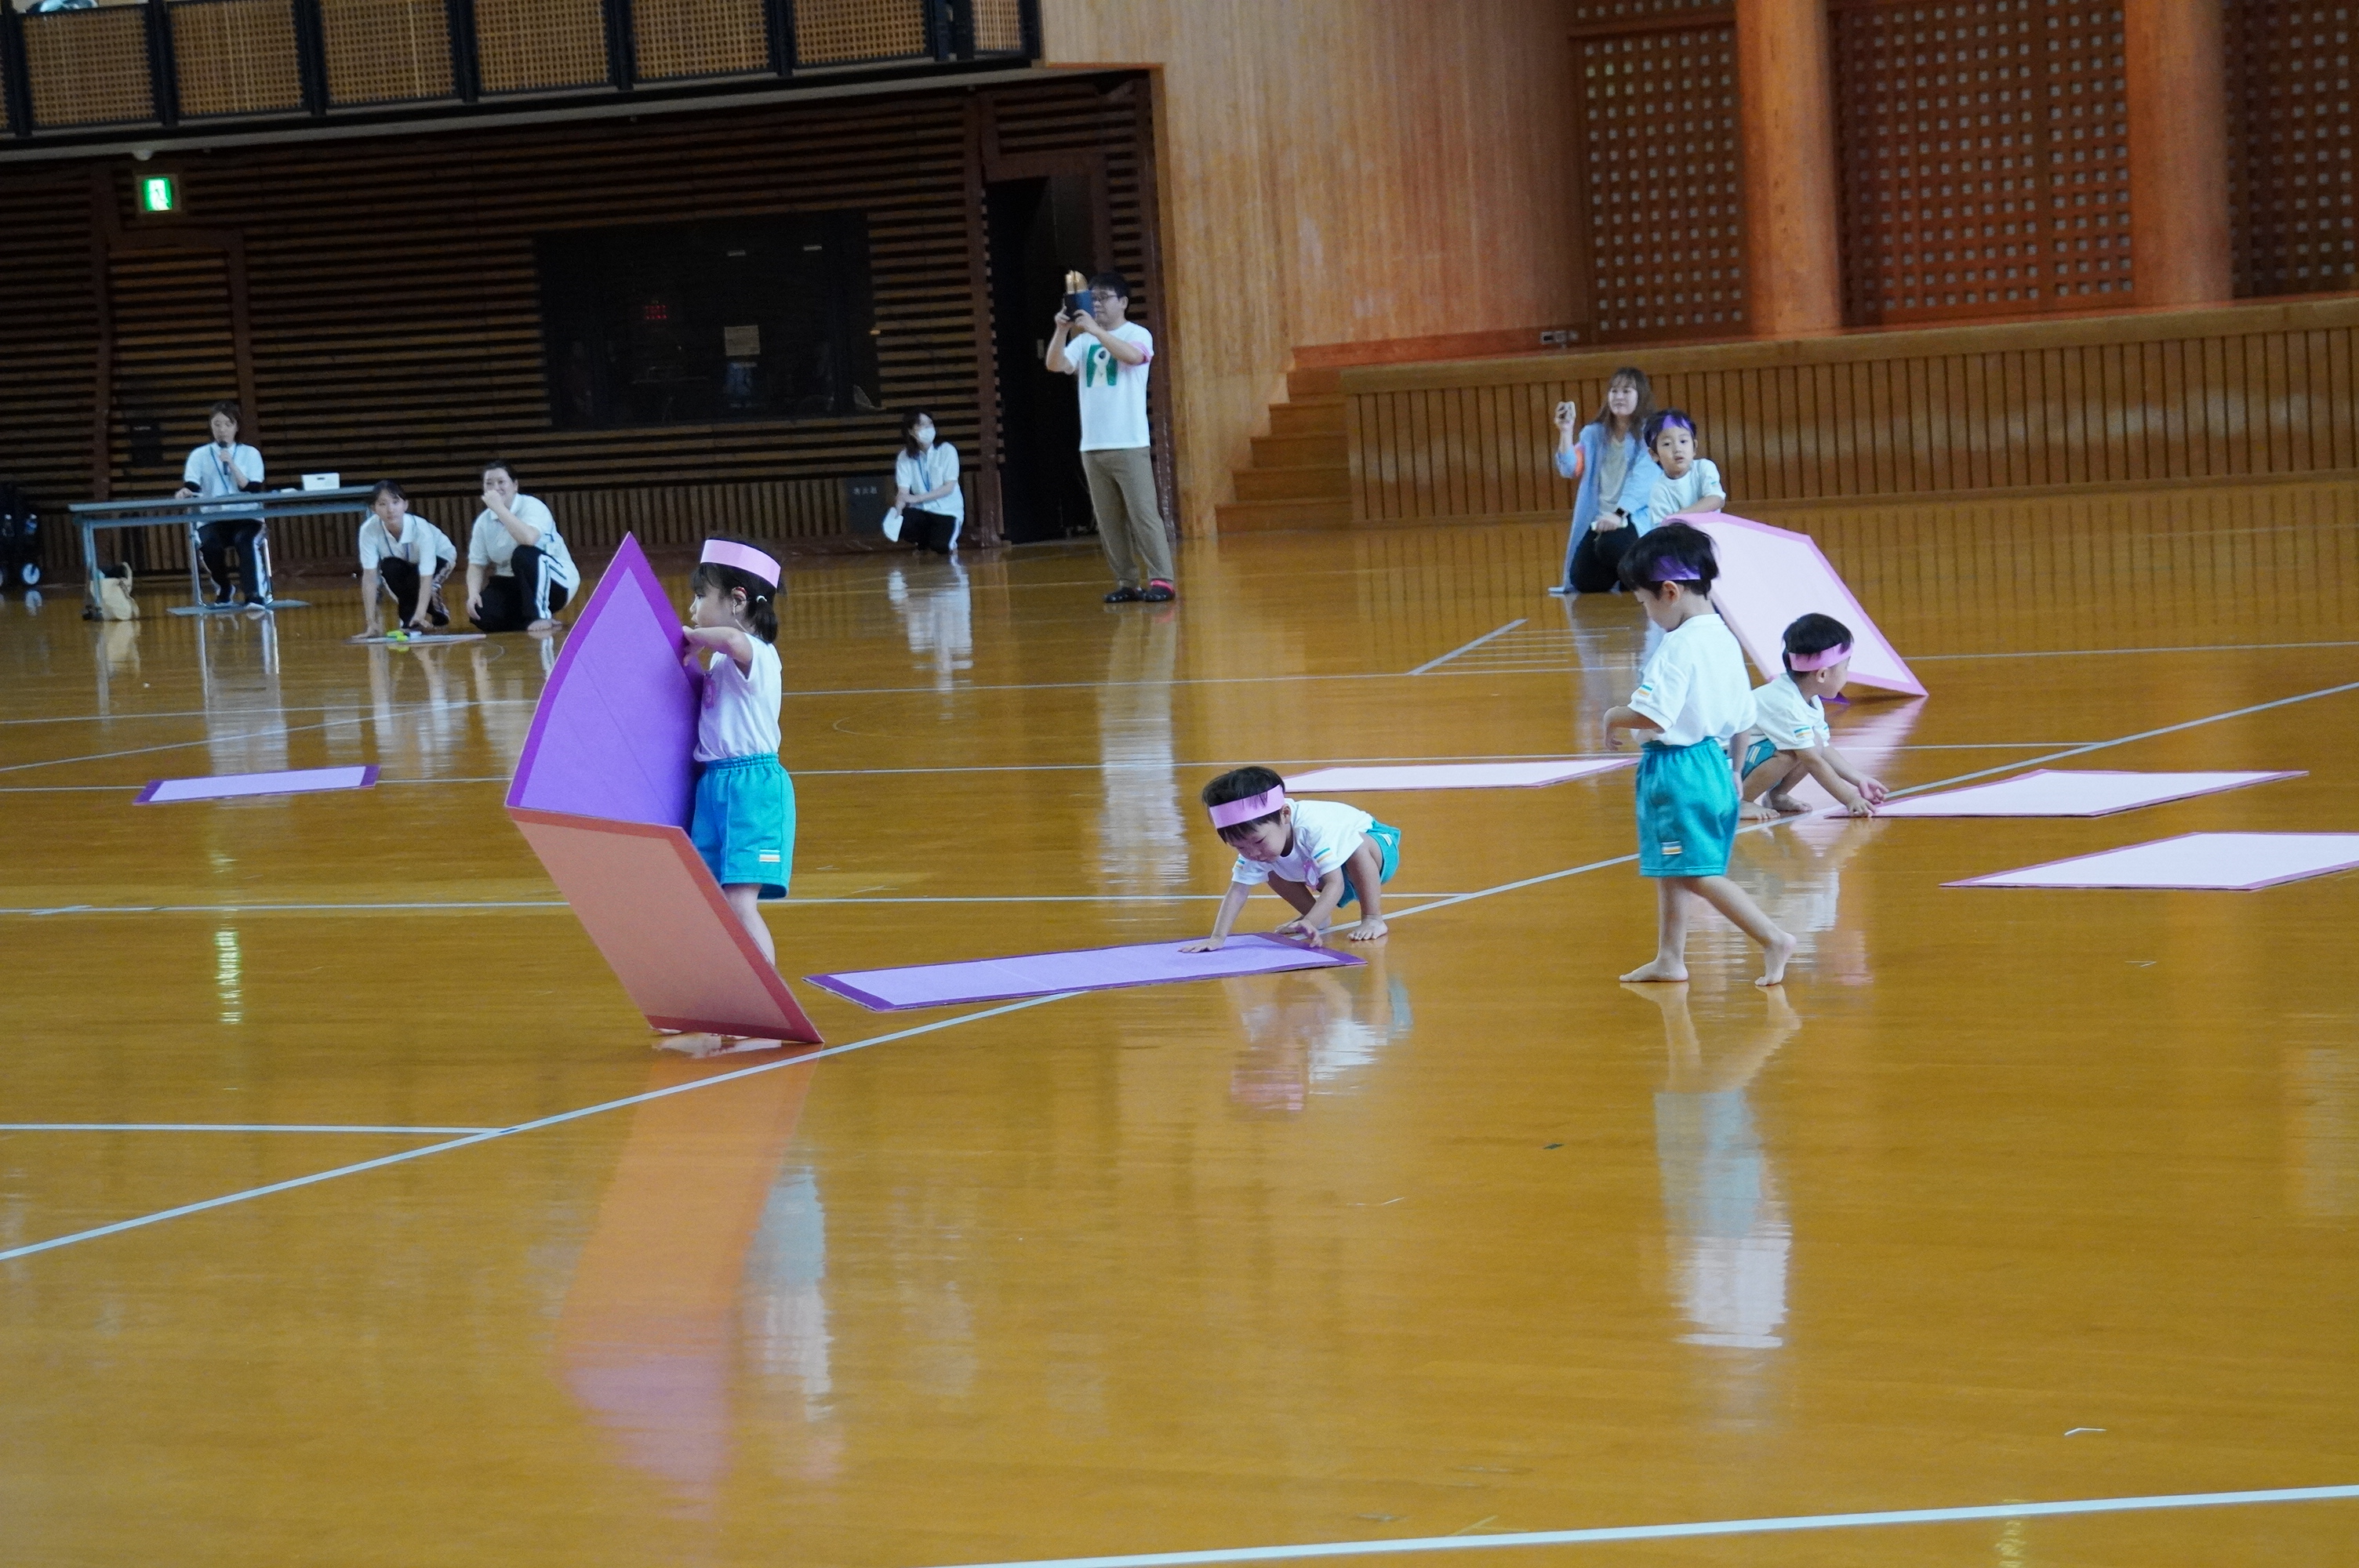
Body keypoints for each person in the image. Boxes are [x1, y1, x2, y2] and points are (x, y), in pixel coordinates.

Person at [1602, 523, 1797, 988]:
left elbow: (1654, 716)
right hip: (1712, 762)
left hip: (1677, 771)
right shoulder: (1723, 638)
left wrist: (1611, 716)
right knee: (1674, 867)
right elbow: (1745, 716)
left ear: (1670, 592)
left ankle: (1773, 938)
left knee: (1694, 873)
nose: (1648, 614)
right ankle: (1670, 958)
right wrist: (1735, 770)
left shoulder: (1679, 647)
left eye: (1645, 603)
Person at [682, 539, 793, 967]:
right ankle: (726, 996)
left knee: (740, 901)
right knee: (712, 902)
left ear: (737, 599)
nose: (692, 608)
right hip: (716, 785)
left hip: (753, 788)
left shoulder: (759, 655)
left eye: (700, 596)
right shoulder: (720, 663)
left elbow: (731, 638)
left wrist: (693, 639)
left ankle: (765, 1000)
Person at [1045, 270, 1172, 604]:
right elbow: (1055, 365)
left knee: (1143, 515)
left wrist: (1097, 331)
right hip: (1093, 445)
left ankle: (1162, 579)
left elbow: (1133, 357)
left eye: (1104, 298)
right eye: (1093, 298)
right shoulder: (1083, 340)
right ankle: (1127, 581)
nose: (1097, 304)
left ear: (1124, 302)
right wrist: (1062, 331)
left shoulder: (1137, 333)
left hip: (1129, 442)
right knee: (1108, 521)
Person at [1182, 766, 1399, 949]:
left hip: (1375, 851)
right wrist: (1217, 938)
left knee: (1356, 845)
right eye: (1239, 847)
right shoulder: (1256, 849)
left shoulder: (1313, 827)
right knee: (1267, 868)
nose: (1252, 853)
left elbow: (1336, 884)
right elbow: (1237, 891)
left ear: (1285, 814)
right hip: (1325, 867)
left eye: (1259, 841)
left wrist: (1309, 922)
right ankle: (1317, 917)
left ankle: (1373, 918)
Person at [1738, 613, 1891, 818]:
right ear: (1822, 674)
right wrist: (1849, 798)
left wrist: (1859, 779)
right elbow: (1812, 761)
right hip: (1725, 765)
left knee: (1814, 742)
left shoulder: (1807, 698)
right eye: (1845, 668)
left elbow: (1823, 748)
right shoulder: (1786, 704)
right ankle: (1742, 801)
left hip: (1747, 757)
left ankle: (1777, 795)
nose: (1848, 676)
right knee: (1794, 752)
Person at [1550, 367, 1662, 595]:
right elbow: (1569, 468)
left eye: (1626, 391)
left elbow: (1643, 481)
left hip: (1631, 517)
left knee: (1611, 545)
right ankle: (1624, 576)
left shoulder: (1649, 434)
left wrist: (1618, 514)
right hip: (1599, 519)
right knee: (1584, 581)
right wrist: (1566, 431)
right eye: (1614, 391)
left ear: (1640, 395)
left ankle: (1642, 574)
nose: (1619, 397)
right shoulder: (1593, 434)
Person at [175, 399, 269, 608]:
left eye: (228, 424)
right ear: (211, 426)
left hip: (246, 517)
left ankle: (254, 595)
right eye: (217, 424)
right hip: (213, 518)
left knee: (245, 541)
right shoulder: (199, 455)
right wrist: (186, 491)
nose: (222, 430)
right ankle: (225, 588)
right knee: (210, 546)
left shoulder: (250, 453)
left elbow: (252, 488)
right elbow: (192, 484)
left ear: (237, 427)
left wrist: (231, 464)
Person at [465, 460, 578, 633]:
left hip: (555, 581)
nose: (495, 488)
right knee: (483, 614)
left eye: (501, 482)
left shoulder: (533, 506)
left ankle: (540, 615)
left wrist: (500, 510)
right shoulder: (483, 521)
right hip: (513, 582)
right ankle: (526, 620)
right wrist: (473, 594)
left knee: (523, 554)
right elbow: (476, 564)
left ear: (515, 485)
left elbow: (529, 539)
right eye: (489, 483)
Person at [354, 481, 456, 637]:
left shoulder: (420, 528)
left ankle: (435, 611)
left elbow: (426, 575)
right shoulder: (368, 530)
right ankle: (410, 622)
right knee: (389, 568)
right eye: (383, 504)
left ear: (405, 505)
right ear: (373, 509)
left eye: (395, 502)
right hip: (403, 561)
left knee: (415, 581)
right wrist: (371, 622)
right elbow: (369, 577)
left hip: (441, 556)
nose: (390, 509)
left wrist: (420, 614)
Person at [1636, 410, 1727, 529]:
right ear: (1654, 454)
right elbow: (1663, 529)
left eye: (1683, 441)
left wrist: (1681, 515)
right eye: (1667, 444)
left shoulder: (1704, 467)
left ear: (1694, 447)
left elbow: (1716, 499)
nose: (1677, 449)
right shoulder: (1659, 490)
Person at [892, 409, 963, 554]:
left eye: (930, 424)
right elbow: (903, 491)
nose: (928, 428)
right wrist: (898, 510)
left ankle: (941, 540)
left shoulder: (947, 450)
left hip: (946, 510)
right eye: (921, 425)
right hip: (922, 510)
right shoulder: (904, 456)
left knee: (941, 547)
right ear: (911, 431)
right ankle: (923, 541)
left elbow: (949, 487)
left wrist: (917, 498)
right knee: (901, 525)